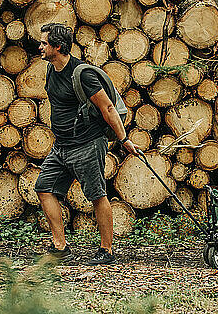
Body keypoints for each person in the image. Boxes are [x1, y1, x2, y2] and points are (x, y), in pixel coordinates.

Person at [34, 23, 139, 266]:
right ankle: (60, 246)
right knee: (44, 187)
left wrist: (124, 139)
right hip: (61, 146)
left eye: (44, 43)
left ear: (57, 47)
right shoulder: (51, 70)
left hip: (87, 144)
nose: (40, 46)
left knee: (96, 195)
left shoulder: (82, 74)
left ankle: (107, 250)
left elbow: (108, 108)